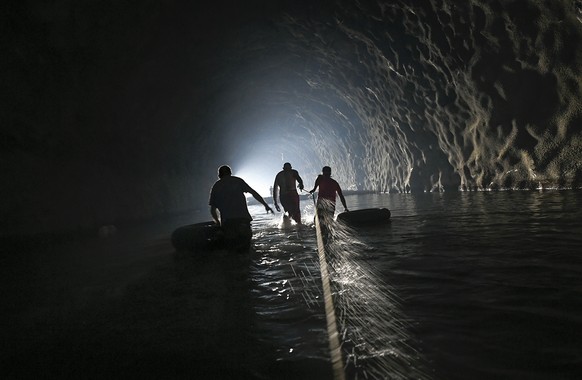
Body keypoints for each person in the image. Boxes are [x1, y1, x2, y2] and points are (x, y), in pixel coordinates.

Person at [209, 165, 273, 251]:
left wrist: (218, 222)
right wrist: (266, 205)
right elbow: (253, 193)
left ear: (219, 175)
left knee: (232, 250)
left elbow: (213, 210)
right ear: (230, 173)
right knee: (246, 249)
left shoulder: (216, 186)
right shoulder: (238, 181)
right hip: (243, 220)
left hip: (228, 223)